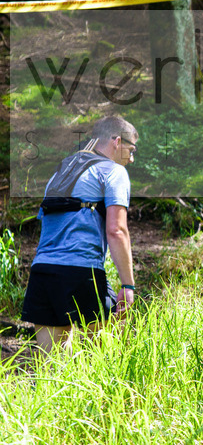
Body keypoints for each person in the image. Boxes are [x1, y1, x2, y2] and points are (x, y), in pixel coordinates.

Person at [21, 115, 138, 354]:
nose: (132, 158)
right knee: (107, 352)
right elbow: (116, 230)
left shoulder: (61, 172)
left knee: (50, 365)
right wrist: (127, 285)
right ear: (116, 141)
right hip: (81, 272)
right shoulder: (113, 171)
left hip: (42, 271)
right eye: (131, 149)